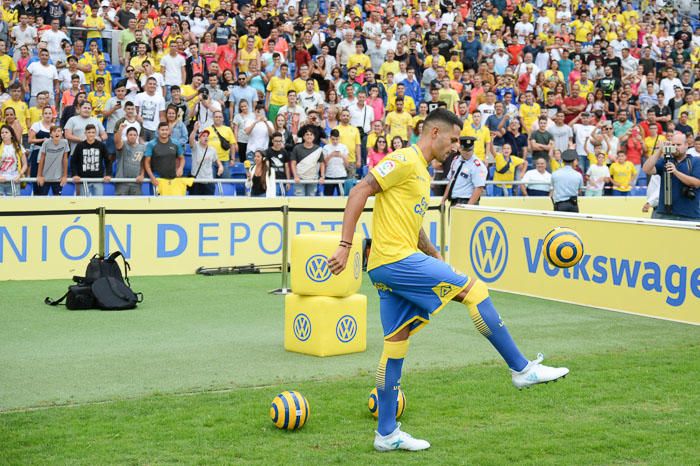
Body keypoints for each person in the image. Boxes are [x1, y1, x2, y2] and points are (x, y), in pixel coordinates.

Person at [327, 109, 569, 453]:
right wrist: (345, 245)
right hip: (395, 261)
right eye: (453, 140)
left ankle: (386, 434)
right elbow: (359, 191)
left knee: (395, 346)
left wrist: (435, 257)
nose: (456, 147)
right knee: (476, 290)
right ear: (435, 132)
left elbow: (413, 225)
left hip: (388, 266)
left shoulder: (422, 174)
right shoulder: (406, 160)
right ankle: (521, 369)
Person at [642, 133, 700, 221]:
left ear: (686, 145)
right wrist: (659, 151)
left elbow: (696, 183)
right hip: (664, 213)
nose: (675, 147)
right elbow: (646, 169)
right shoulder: (665, 161)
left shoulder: (695, 161)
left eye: (678, 145)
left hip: (689, 214)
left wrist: (675, 172)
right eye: (673, 144)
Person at [440, 136, 487, 206]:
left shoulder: (478, 165)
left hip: (467, 201)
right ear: (460, 149)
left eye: (470, 150)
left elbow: (479, 188)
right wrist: (443, 200)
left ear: (473, 149)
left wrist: (468, 206)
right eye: (465, 150)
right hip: (453, 202)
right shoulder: (456, 160)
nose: (467, 153)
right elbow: (451, 181)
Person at [144, 122, 186, 195]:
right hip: (157, 179)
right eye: (162, 130)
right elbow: (146, 162)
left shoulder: (176, 143)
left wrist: (180, 168)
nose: (164, 132)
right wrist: (152, 177)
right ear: (158, 131)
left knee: (171, 203)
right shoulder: (151, 144)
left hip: (172, 179)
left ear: (169, 131)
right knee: (157, 204)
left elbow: (182, 158)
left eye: (166, 130)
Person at [70, 124, 111, 196]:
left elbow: (108, 161)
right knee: (84, 203)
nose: (91, 134)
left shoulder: (101, 145)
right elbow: (73, 162)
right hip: (84, 180)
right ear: (85, 133)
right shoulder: (80, 146)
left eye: (93, 132)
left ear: (95, 133)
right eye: (89, 132)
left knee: (98, 203)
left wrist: (108, 174)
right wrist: (75, 174)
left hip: (98, 179)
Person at [188, 124, 222, 195]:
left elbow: (217, 160)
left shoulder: (212, 149)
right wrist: (194, 130)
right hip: (197, 180)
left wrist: (220, 166)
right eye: (203, 136)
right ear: (199, 138)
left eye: (207, 136)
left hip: (208, 180)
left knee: (209, 202)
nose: (206, 137)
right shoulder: (195, 147)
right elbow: (191, 140)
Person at [289, 128, 324, 196]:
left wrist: (322, 176)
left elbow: (322, 164)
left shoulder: (318, 149)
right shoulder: (297, 148)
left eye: (311, 134)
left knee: (310, 201)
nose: (309, 136)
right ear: (303, 137)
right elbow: (293, 164)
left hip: (313, 179)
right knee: (299, 201)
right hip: (299, 179)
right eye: (307, 134)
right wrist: (295, 176)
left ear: (314, 137)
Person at [113, 123, 145, 196]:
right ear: (127, 136)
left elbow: (143, 163)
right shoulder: (123, 144)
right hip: (122, 183)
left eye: (134, 135)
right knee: (121, 206)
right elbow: (117, 142)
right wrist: (120, 130)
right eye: (130, 135)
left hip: (136, 183)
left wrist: (142, 175)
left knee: (136, 206)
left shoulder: (142, 148)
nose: (132, 136)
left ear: (137, 136)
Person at [36, 125, 68, 196]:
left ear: (61, 133)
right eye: (54, 131)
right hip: (45, 178)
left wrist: (65, 176)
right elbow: (41, 159)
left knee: (57, 199)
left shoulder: (65, 143)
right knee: (43, 199)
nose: (57, 133)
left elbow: (65, 159)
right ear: (50, 134)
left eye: (59, 131)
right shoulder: (46, 143)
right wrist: (39, 175)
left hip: (58, 178)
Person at [0, 124, 27, 196]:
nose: (4, 134)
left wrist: (19, 175)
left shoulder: (18, 146)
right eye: (2, 133)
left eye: (6, 132)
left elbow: (25, 164)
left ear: (11, 134)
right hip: (0, 180)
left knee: (14, 204)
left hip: (14, 180)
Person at [322, 129, 349, 196]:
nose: (335, 141)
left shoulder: (344, 147)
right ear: (330, 138)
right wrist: (331, 155)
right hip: (329, 175)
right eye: (333, 139)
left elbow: (347, 165)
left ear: (339, 138)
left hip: (341, 175)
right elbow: (324, 163)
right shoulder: (326, 147)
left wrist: (342, 156)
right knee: (328, 197)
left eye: (337, 139)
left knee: (342, 197)